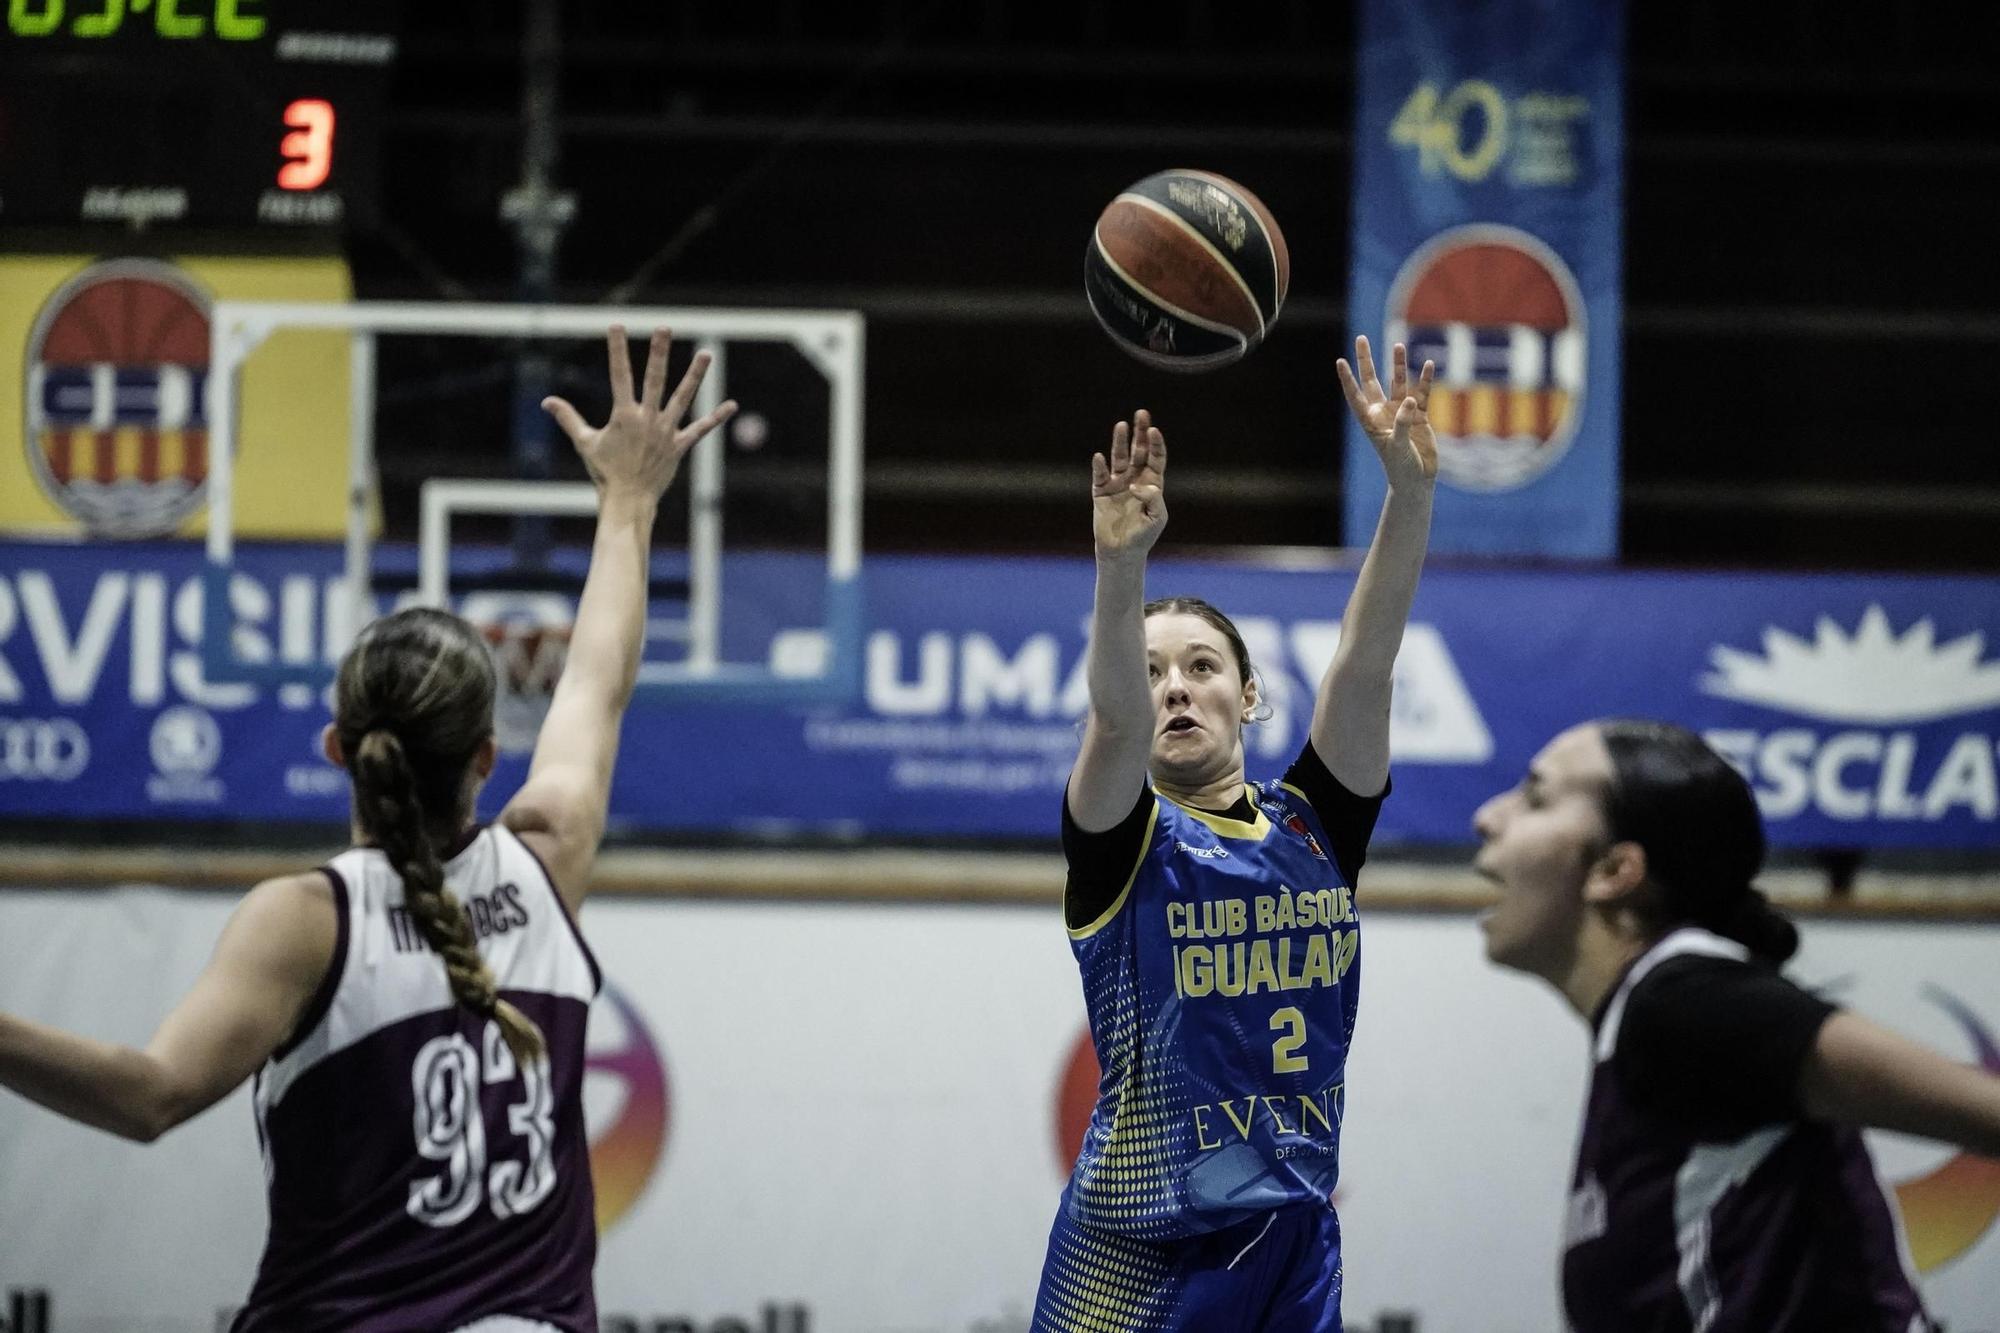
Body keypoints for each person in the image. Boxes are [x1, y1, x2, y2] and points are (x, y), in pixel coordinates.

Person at [0, 327, 735, 1332]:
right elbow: (598, 675)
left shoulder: (308, 920)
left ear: (336, 746)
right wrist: (629, 504)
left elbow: (149, 1095)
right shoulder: (549, 847)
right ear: (485, 755)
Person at [1032, 337, 1437, 1332]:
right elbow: (1119, 720)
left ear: (1248, 696)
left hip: (1294, 1235)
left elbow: (1365, 664)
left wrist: (1409, 496)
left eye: (1202, 665)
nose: (1175, 683)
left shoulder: (1313, 823)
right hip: (1137, 1250)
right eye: (1154, 665)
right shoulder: (1120, 839)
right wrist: (1119, 566)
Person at [1474, 718, 2000, 1332]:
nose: (1488, 816)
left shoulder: (1685, 1003)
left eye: (1536, 796)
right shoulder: (1642, 1023)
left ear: (1615, 871)